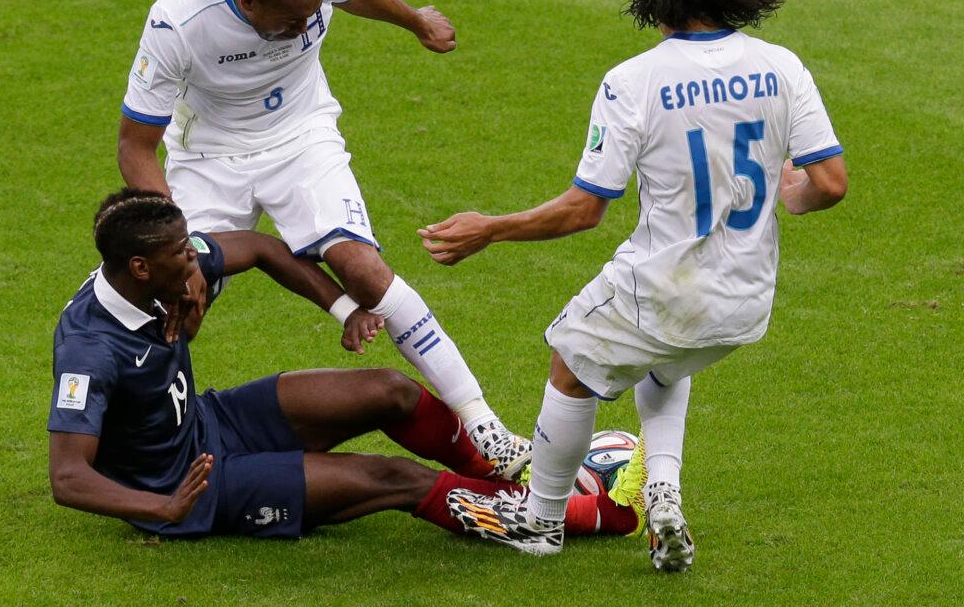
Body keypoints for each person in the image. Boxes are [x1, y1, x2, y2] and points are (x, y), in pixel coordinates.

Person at [418, 0, 848, 569]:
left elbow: (584, 210)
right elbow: (830, 183)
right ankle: (663, 493)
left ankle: (540, 521)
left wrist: (490, 227)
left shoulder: (635, 81)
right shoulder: (781, 67)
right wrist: (794, 197)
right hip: (744, 303)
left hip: (663, 286)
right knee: (664, 361)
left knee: (571, 357)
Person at [115, 0, 528, 477]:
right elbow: (135, 145)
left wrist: (415, 20)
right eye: (291, 22)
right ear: (248, 4)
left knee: (362, 269)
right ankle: (135, 447)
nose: (307, 28)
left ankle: (484, 424)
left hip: (302, 137)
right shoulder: (180, 19)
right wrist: (177, 244)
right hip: (209, 159)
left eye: (315, 15)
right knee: (177, 306)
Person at [47, 189, 643, 542]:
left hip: (211, 423)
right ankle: (576, 517)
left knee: (391, 391)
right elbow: (68, 476)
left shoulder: (162, 277)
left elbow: (261, 248)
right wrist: (162, 507)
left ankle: (508, 480)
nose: (196, 259)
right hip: (189, 487)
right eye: (182, 254)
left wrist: (342, 308)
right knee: (393, 478)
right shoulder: (89, 350)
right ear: (140, 267)